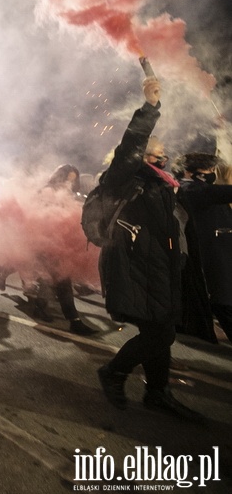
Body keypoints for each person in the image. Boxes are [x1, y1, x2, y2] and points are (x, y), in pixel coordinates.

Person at [95, 77, 204, 422]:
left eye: (163, 153)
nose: (163, 156)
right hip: (135, 267)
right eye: (155, 153)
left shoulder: (162, 183)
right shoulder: (126, 177)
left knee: (162, 331)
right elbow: (130, 146)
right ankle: (114, 371)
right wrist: (150, 108)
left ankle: (157, 392)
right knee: (160, 332)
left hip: (159, 267)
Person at [22, 165, 99, 335]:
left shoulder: (70, 194)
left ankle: (41, 307)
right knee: (61, 280)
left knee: (54, 279)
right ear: (59, 177)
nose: (69, 184)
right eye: (67, 179)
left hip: (59, 243)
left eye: (73, 180)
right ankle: (74, 320)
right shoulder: (46, 191)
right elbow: (36, 216)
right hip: (45, 242)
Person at [175, 152, 232, 344]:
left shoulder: (203, 189)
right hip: (209, 259)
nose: (211, 173)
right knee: (224, 304)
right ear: (191, 172)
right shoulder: (188, 189)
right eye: (207, 170)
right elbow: (215, 194)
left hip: (220, 258)